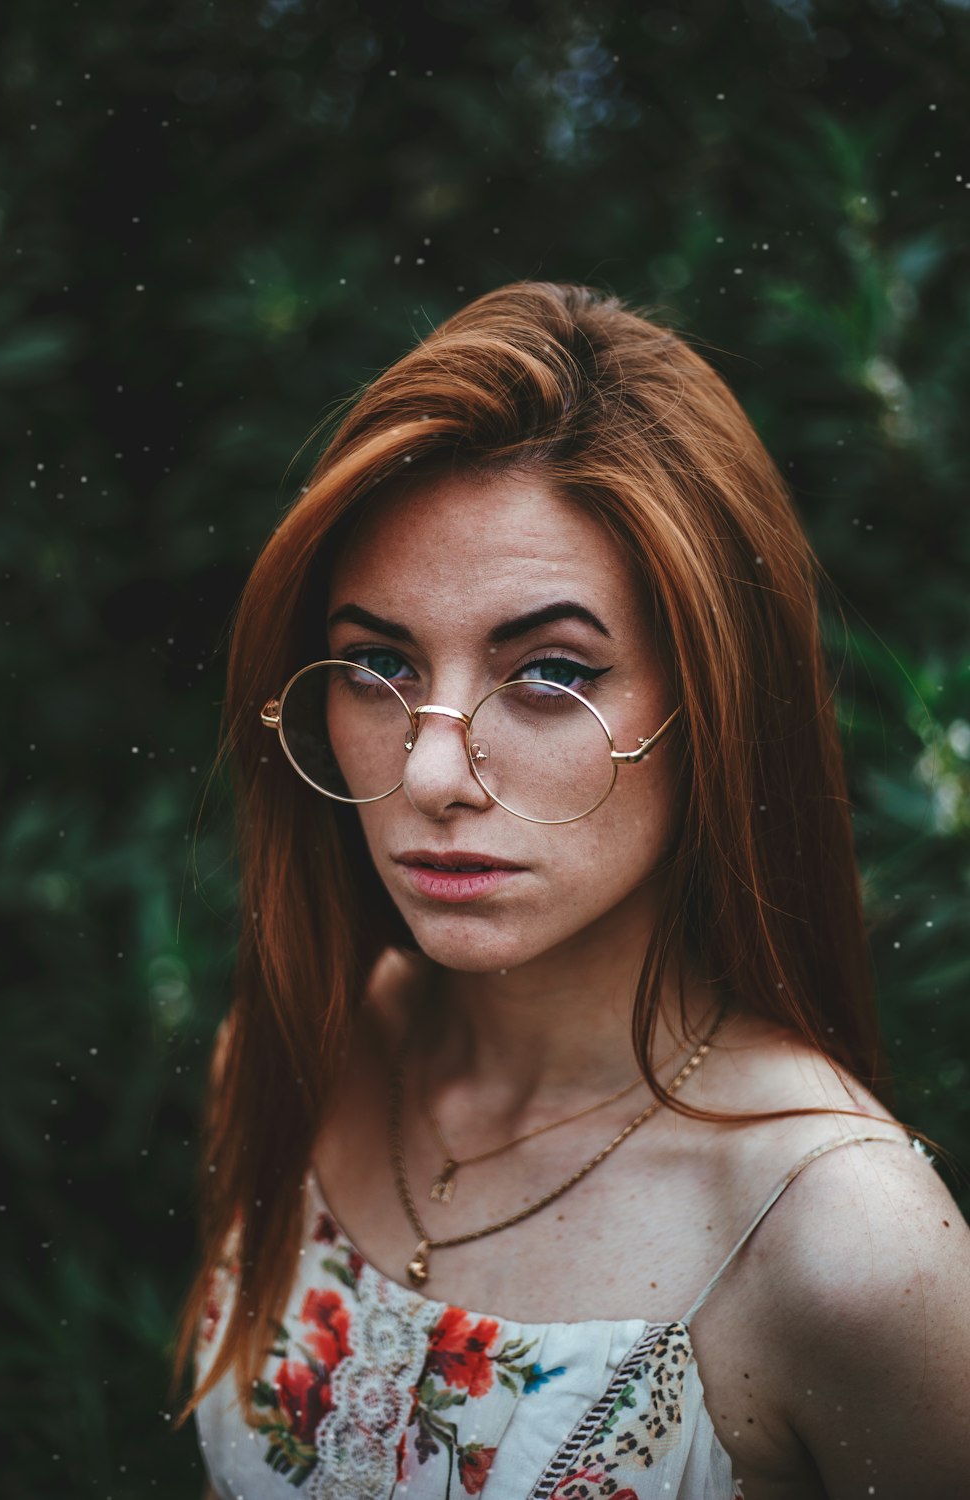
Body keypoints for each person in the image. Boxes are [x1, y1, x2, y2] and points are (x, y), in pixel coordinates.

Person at [176, 282, 970, 1499]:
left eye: (549, 672)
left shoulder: (843, 1247)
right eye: (377, 663)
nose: (431, 767)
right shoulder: (296, 1055)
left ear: (715, 705)